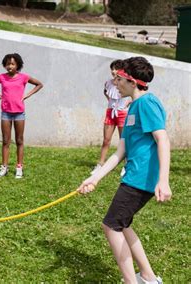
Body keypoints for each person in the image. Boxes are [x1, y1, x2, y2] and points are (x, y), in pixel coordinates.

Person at [78, 56, 171, 284]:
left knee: (111, 226)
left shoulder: (147, 103)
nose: (115, 83)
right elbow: (120, 152)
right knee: (123, 224)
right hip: (133, 176)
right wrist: (95, 178)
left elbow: (163, 140)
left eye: (118, 78)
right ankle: (148, 278)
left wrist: (164, 180)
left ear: (131, 81)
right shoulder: (132, 108)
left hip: (141, 180)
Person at [0, 53, 43, 178]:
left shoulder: (23, 77)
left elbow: (39, 84)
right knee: (6, 141)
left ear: (18, 65)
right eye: (7, 64)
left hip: (19, 113)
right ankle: (4, 167)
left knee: (19, 141)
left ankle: (19, 167)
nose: (10, 66)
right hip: (6, 113)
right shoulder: (1, 77)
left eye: (12, 64)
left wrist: (27, 95)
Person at [91, 59, 130, 175]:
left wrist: (126, 104)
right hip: (110, 113)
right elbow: (106, 92)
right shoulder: (108, 83)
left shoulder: (126, 83)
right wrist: (111, 103)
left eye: (116, 68)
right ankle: (100, 165)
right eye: (112, 69)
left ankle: (127, 166)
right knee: (106, 140)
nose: (113, 71)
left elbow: (133, 94)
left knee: (124, 141)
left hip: (122, 114)